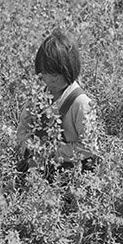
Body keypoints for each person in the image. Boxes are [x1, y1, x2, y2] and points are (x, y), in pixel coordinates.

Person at [16, 30, 99, 175]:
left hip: (73, 172)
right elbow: (22, 130)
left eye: (56, 74)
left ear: (70, 69)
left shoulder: (81, 103)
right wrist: (31, 150)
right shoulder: (37, 97)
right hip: (40, 166)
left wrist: (50, 153)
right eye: (47, 73)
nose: (52, 79)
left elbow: (88, 147)